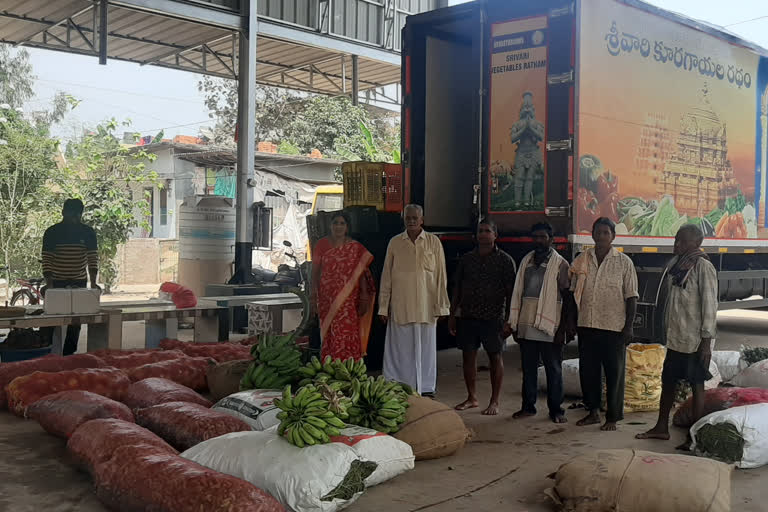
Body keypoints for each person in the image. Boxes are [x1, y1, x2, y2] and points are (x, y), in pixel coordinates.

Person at [636, 224, 717, 449]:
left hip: (694, 341)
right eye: (676, 240)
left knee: (696, 384)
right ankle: (661, 427)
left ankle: (695, 437)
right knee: (668, 381)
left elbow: (710, 307)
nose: (676, 244)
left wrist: (706, 343)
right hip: (675, 338)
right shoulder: (679, 265)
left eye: (682, 241)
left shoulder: (703, 267)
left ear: (695, 243)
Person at [570, 217, 638, 431]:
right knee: (589, 372)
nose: (601, 237)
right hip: (587, 324)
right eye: (597, 232)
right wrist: (572, 321)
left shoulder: (623, 262)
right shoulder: (582, 259)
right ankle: (592, 412)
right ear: (592, 235)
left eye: (605, 233)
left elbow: (631, 297)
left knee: (614, 373)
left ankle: (613, 417)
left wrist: (628, 327)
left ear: (613, 236)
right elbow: (573, 292)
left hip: (614, 327)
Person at [379, 204, 450, 397]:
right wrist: (383, 307)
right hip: (401, 305)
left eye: (414, 218)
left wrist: (442, 306)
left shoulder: (433, 242)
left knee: (426, 349)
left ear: (422, 220)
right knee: (400, 349)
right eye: (408, 218)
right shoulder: (395, 243)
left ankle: (426, 388)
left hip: (426, 306)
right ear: (404, 219)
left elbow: (441, 276)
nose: (411, 221)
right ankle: (397, 385)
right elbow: (386, 276)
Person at [449, 219, 516, 415]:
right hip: (469, 315)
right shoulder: (467, 259)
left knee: (495, 356)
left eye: (487, 231)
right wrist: (453, 314)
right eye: (480, 231)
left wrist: (509, 319)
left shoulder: (505, 260)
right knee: (468, 356)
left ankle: (494, 401)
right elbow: (457, 289)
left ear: (495, 235)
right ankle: (472, 397)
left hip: (493, 317)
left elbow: (511, 292)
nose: (483, 234)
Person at [508, 222, 573, 423]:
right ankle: (528, 407)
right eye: (535, 237)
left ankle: (556, 411)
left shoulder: (561, 264)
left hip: (549, 326)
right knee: (528, 369)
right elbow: (518, 293)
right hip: (527, 324)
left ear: (551, 240)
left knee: (553, 368)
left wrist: (563, 328)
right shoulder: (526, 261)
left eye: (543, 237)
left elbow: (568, 299)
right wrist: (515, 324)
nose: (538, 241)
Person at [310, 211, 375, 361]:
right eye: (335, 223)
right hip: (327, 297)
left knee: (347, 330)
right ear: (330, 226)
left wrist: (364, 295)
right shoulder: (321, 244)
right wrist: (313, 294)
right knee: (329, 330)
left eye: (342, 223)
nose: (338, 226)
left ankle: (350, 367)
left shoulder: (355, 247)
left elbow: (362, 273)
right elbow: (314, 272)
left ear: (347, 227)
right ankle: (330, 366)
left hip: (349, 299)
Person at [41, 199, 100, 356]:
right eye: (70, 214)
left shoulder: (88, 233)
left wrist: (93, 284)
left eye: (76, 215)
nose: (73, 218)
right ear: (63, 213)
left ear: (81, 215)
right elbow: (47, 260)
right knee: (51, 320)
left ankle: (68, 354)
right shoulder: (52, 232)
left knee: (76, 321)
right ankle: (46, 351)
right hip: (57, 282)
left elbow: (92, 258)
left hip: (79, 282)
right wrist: (49, 284)